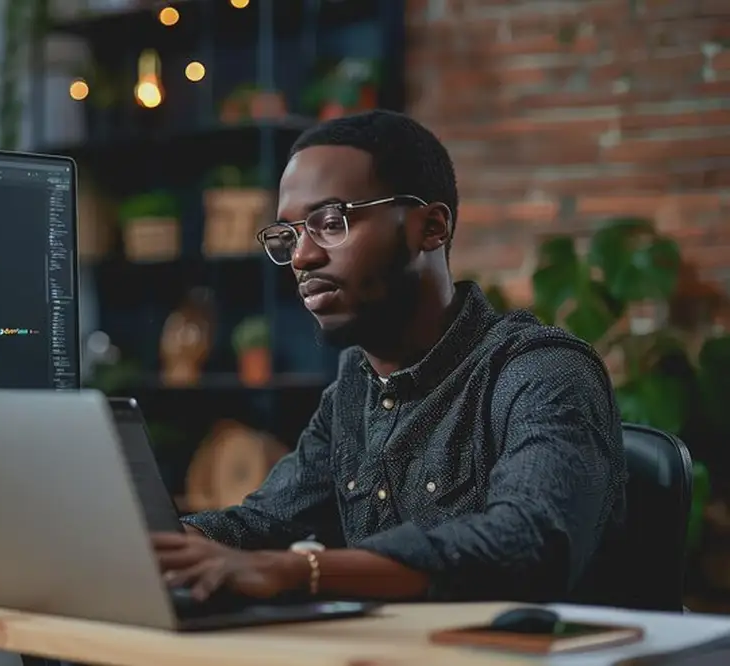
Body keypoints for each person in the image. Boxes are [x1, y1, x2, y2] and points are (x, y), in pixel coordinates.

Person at [152, 110, 626, 604]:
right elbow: (263, 522)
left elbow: (527, 545)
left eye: (331, 222)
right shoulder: (354, 388)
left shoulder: (542, 372)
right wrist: (165, 547)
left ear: (431, 227)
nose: (301, 257)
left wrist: (300, 571)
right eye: (289, 235)